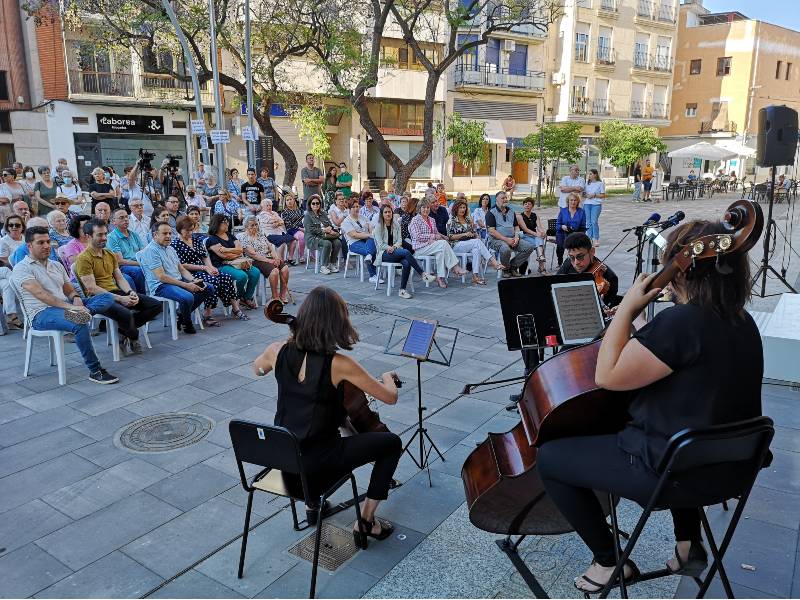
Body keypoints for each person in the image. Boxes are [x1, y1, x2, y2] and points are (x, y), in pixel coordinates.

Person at [538, 219, 763, 593]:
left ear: (683, 268)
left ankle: (609, 561)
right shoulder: (743, 321)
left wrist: (625, 311)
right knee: (686, 431)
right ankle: (689, 546)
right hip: (728, 472)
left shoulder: (680, 322)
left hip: (674, 478)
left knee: (551, 458)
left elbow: (606, 376)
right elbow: (690, 370)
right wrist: (646, 330)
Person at [253, 286, 402, 544]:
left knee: (318, 428)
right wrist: (388, 378)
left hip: (285, 459)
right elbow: (389, 397)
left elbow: (257, 370)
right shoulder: (340, 364)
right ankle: (367, 521)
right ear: (336, 323)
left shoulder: (277, 351)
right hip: (319, 464)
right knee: (391, 444)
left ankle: (312, 506)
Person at [11, 225, 119, 383]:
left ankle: (85, 312)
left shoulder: (56, 265)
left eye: (48, 241)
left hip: (65, 306)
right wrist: (73, 307)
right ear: (29, 246)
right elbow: (42, 296)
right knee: (79, 322)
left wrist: (75, 298)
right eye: (41, 243)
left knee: (107, 297)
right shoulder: (22, 268)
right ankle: (95, 371)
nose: (47, 246)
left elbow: (68, 290)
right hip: (41, 313)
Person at [74, 218, 162, 356]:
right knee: (125, 313)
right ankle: (133, 336)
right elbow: (92, 288)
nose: (104, 238)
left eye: (105, 234)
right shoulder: (83, 258)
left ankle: (123, 331)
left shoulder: (109, 254)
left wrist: (130, 292)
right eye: (100, 235)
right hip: (97, 298)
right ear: (88, 236)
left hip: (115, 291)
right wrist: (121, 299)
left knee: (155, 305)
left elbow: (119, 278)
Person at [140, 221, 215, 334]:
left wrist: (193, 280)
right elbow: (161, 277)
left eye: (170, 233)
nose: (168, 236)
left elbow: (182, 269)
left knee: (208, 287)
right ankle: (186, 321)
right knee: (188, 297)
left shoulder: (170, 248)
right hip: (161, 286)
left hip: (177, 280)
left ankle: (181, 313)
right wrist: (186, 285)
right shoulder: (151, 250)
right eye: (165, 233)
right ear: (155, 235)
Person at [173, 215, 244, 324]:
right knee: (212, 280)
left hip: (203, 269)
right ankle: (207, 314)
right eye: (187, 231)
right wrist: (204, 268)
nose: (190, 233)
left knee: (226, 278)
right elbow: (182, 265)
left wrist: (211, 267)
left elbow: (205, 257)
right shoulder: (175, 244)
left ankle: (235, 308)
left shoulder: (195, 240)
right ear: (179, 229)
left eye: (192, 230)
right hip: (189, 273)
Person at [374, 204, 433, 298]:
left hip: (396, 251)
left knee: (406, 263)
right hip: (384, 254)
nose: (388, 214)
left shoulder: (396, 225)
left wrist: (394, 247)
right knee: (405, 252)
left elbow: (400, 240)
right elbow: (380, 244)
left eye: (389, 212)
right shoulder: (378, 227)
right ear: (382, 214)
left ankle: (402, 290)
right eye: (385, 212)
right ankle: (422, 273)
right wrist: (389, 248)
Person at [205, 214, 260, 310]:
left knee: (255, 272)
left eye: (227, 221)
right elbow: (224, 256)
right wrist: (235, 252)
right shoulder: (212, 239)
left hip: (237, 262)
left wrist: (226, 249)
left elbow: (240, 249)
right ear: (217, 224)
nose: (227, 224)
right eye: (224, 222)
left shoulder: (230, 235)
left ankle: (246, 297)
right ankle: (240, 296)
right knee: (242, 276)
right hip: (221, 265)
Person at [409, 199, 466, 288]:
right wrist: (433, 237)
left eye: (428, 207)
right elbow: (417, 236)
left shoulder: (431, 220)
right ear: (419, 209)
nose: (426, 209)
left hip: (431, 246)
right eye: (423, 207)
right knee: (442, 244)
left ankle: (440, 278)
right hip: (420, 248)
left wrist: (444, 236)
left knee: (441, 252)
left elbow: (436, 232)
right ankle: (455, 267)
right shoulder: (415, 220)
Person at [448, 199, 505, 284]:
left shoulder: (467, 220)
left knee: (476, 250)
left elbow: (473, 232)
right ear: (456, 208)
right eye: (460, 208)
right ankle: (494, 262)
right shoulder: (452, 220)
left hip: (468, 244)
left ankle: (475, 276)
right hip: (456, 245)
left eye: (464, 207)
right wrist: (464, 235)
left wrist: (474, 235)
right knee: (477, 242)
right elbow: (450, 237)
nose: (463, 209)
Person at [238, 215, 291, 304]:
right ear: (246, 226)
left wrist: (276, 258)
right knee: (274, 271)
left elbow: (271, 247)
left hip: (268, 257)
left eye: (256, 224)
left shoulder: (260, 234)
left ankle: (282, 295)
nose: (255, 227)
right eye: (252, 225)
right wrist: (269, 261)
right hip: (255, 260)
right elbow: (252, 254)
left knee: (285, 269)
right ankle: (275, 297)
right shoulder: (243, 237)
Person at [556, 232, 619, 307]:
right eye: (572, 257)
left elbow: (606, 311)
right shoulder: (568, 263)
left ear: (592, 251)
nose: (576, 263)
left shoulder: (610, 278)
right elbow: (555, 284)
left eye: (580, 257)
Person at [486, 191, 534, 277]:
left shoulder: (511, 211)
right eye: (502, 198)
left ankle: (513, 267)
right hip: (497, 240)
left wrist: (516, 237)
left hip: (512, 238)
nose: (505, 200)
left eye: (506, 198)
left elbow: (516, 227)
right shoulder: (491, 212)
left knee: (529, 247)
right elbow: (492, 231)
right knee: (505, 249)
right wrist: (506, 240)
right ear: (496, 200)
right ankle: (506, 269)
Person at [342, 200, 383, 284]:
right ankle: (373, 275)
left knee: (372, 242)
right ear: (349, 209)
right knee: (372, 249)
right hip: (354, 243)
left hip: (367, 240)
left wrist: (370, 233)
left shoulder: (363, 217)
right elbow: (354, 235)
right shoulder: (346, 221)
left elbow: (371, 228)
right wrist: (368, 235)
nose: (356, 208)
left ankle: (369, 257)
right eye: (353, 207)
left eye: (357, 206)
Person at [107, 209, 147, 294]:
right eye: (121, 217)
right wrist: (140, 264)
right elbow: (120, 261)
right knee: (138, 271)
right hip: (122, 267)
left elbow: (143, 253)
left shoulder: (134, 234)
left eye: (126, 217)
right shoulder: (111, 237)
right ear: (114, 221)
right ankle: (142, 298)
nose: (125, 219)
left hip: (138, 263)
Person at [304, 194, 341, 274]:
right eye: (313, 203)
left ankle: (332, 263)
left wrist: (330, 230)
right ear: (310, 205)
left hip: (326, 235)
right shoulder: (308, 216)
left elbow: (330, 225)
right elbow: (310, 230)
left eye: (317, 203)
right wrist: (324, 230)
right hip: (313, 238)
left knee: (337, 242)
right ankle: (323, 266)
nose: (315, 205)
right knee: (327, 243)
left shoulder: (323, 214)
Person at [515, 198, 547, 274]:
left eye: (529, 204)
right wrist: (537, 234)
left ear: (532, 206)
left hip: (533, 236)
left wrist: (542, 232)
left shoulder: (535, 215)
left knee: (539, 240)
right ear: (523, 205)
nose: (527, 205)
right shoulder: (520, 216)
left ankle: (540, 257)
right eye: (525, 204)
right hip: (524, 236)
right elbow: (525, 229)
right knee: (539, 243)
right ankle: (542, 268)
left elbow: (539, 227)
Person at [555, 192, 587, 267]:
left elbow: (583, 227)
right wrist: (562, 226)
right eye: (571, 200)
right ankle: (560, 262)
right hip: (563, 233)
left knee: (577, 243)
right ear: (568, 201)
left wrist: (578, 233)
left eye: (575, 200)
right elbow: (557, 225)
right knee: (560, 244)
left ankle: (574, 262)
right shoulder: (563, 211)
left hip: (575, 234)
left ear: (578, 202)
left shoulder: (581, 212)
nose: (573, 202)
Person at [584, 169, 606, 248]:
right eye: (588, 174)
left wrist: (594, 195)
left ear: (595, 175)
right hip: (587, 204)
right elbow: (584, 193)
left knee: (594, 221)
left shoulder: (600, 183)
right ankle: (589, 238)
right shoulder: (586, 183)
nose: (589, 176)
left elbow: (603, 195)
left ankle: (596, 238)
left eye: (590, 174)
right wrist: (587, 195)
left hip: (596, 204)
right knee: (588, 222)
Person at [281, 194, 305, 263]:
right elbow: (289, 224)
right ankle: (302, 256)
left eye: (290, 199)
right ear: (285, 202)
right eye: (287, 200)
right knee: (301, 236)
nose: (289, 201)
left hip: (302, 228)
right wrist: (300, 228)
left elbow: (304, 219)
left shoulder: (299, 210)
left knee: (312, 234)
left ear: (294, 200)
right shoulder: (285, 211)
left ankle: (313, 254)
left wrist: (305, 228)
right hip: (291, 229)